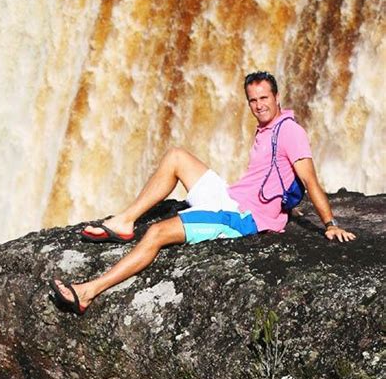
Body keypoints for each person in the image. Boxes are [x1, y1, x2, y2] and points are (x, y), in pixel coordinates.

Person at [51, 71, 356, 315]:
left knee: (157, 232)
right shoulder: (265, 129)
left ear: (277, 97)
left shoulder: (291, 131)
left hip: (240, 216)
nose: (259, 105)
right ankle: (124, 221)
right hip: (229, 196)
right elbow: (273, 176)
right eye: (253, 100)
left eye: (264, 98)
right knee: (176, 156)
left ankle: (88, 291)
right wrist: (288, 207)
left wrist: (329, 224)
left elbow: (310, 180)